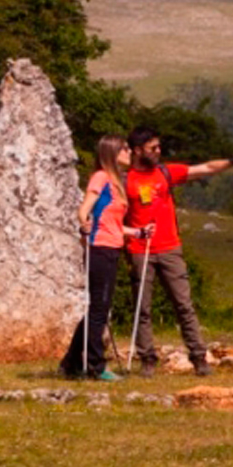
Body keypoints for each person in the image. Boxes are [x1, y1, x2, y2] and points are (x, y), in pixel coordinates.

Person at [124, 126, 233, 377]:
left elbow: (203, 169)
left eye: (159, 147)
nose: (159, 152)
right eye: (153, 148)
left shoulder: (165, 172)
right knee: (142, 308)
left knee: (184, 305)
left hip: (170, 248)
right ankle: (147, 360)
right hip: (140, 250)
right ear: (138, 151)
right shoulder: (125, 180)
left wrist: (231, 162)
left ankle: (199, 358)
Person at [59, 134, 149, 381]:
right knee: (99, 310)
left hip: (110, 247)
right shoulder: (101, 177)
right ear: (112, 152)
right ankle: (96, 367)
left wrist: (138, 232)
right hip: (99, 248)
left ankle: (70, 363)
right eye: (125, 149)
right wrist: (83, 224)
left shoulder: (115, 182)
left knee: (96, 309)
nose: (130, 153)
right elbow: (84, 209)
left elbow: (112, 223)